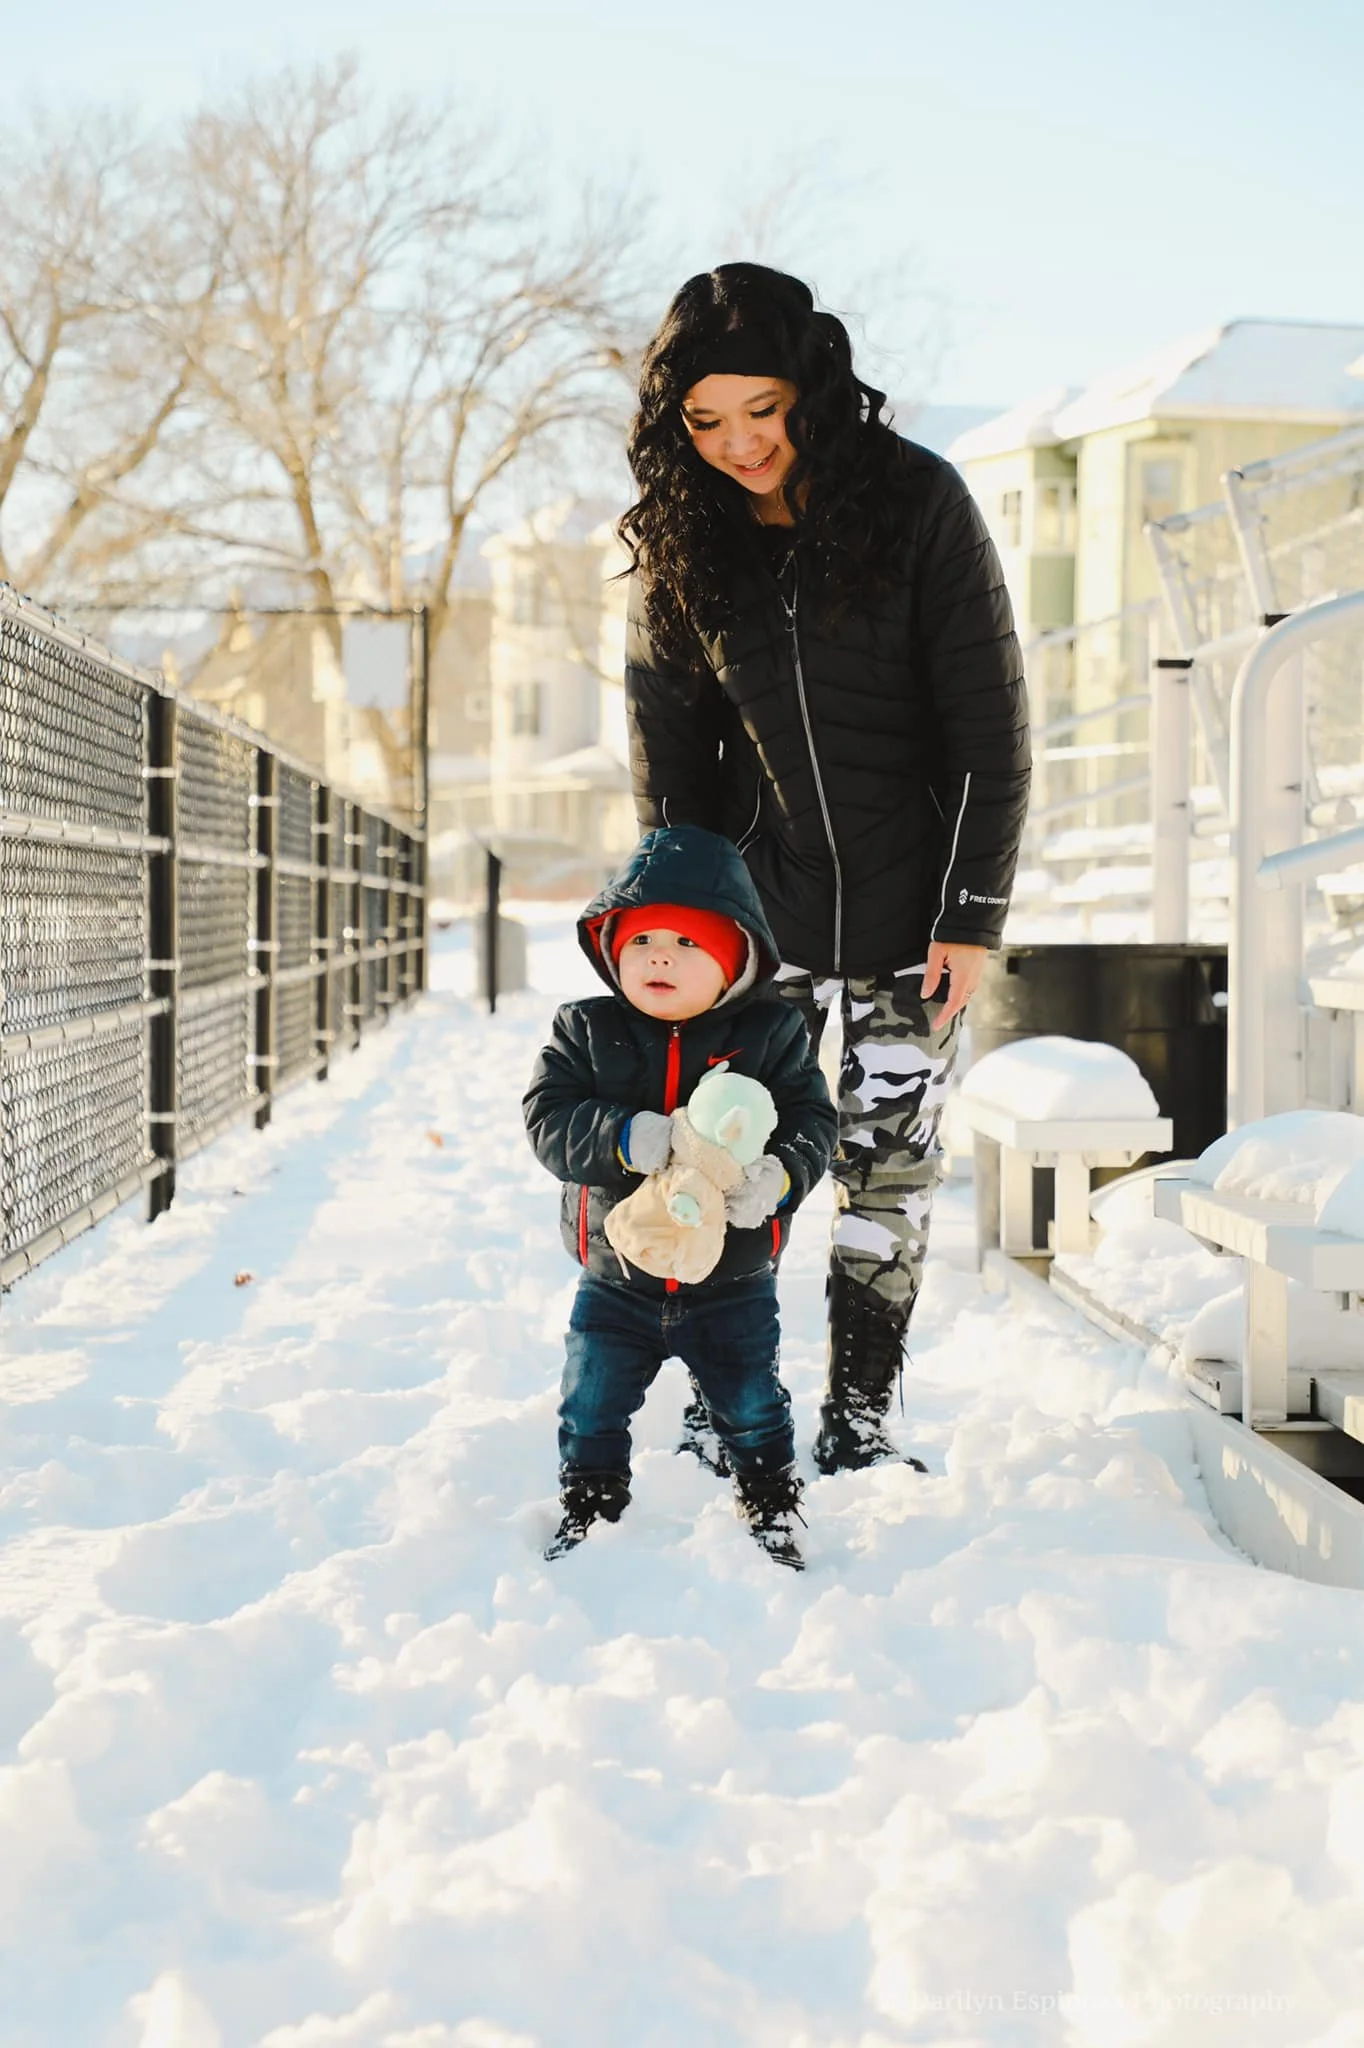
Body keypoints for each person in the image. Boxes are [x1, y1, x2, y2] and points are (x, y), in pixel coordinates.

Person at [619, 263, 1030, 1474]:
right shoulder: (683, 542)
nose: (739, 443)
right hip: (759, 924)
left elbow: (989, 729)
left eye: (761, 408)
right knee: (727, 1164)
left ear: (811, 388)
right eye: (705, 421)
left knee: (885, 1175)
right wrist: (687, 926)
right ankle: (727, 1407)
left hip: (916, 921)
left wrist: (970, 910)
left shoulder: (917, 504)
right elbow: (668, 755)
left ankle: (859, 1411)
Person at [523, 824, 837, 1568]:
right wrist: (629, 1136)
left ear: (735, 961)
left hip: (732, 1280)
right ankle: (592, 1504)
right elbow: (548, 1120)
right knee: (590, 1403)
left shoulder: (772, 1034)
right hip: (616, 1274)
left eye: (688, 943)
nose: (659, 954)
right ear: (613, 951)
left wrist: (781, 1176)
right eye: (642, 940)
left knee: (752, 1405)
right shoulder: (585, 1030)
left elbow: (811, 1119)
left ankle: (769, 1500)